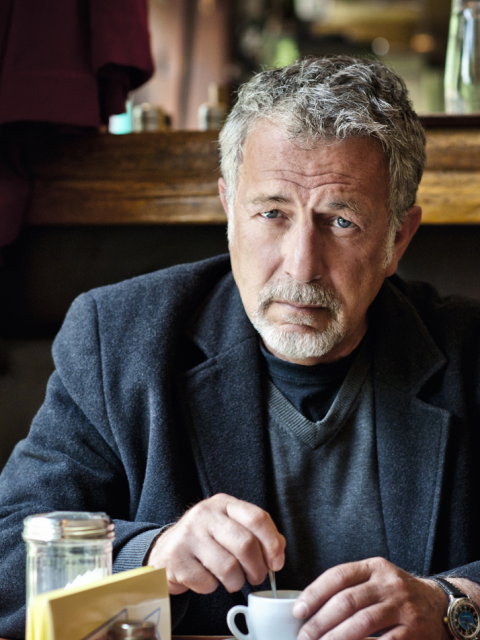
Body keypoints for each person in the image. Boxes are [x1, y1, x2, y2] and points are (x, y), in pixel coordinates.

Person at [1, 56, 480, 640]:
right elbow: (7, 559)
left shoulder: (469, 352)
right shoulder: (118, 339)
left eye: (341, 221)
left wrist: (453, 604)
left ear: (397, 239)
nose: (301, 266)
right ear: (230, 209)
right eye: (272, 213)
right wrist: (152, 555)